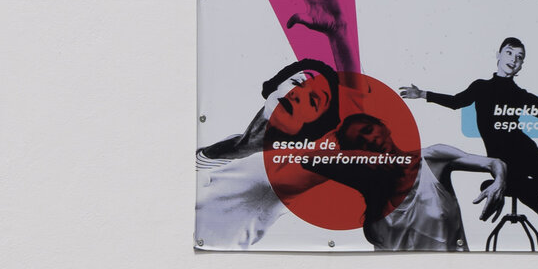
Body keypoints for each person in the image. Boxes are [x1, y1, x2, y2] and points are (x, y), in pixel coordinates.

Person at [400, 39, 538, 243]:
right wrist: (422, 94)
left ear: (521, 66)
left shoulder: (520, 95)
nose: (513, 59)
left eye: (519, 57)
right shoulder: (481, 87)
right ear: (498, 55)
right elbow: (455, 102)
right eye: (509, 53)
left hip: (527, 151)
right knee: (515, 185)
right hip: (501, 157)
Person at [195, 59, 344, 249]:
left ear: (317, 123)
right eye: (296, 82)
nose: (297, 94)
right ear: (277, 84)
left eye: (313, 100)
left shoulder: (286, 167)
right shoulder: (229, 141)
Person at [305, 114, 508, 251]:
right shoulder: (370, 187)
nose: (370, 140)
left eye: (369, 129)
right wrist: (373, 159)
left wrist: (499, 181)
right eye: (359, 142)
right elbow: (309, 159)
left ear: (384, 126)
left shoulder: (432, 159)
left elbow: (494, 163)